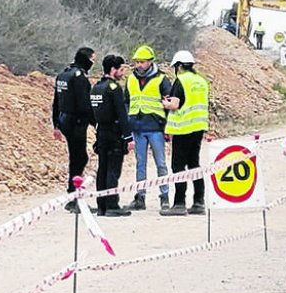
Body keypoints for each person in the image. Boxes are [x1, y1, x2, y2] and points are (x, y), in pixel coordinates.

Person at [160, 50, 210, 216]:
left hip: (183, 129)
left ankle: (179, 203)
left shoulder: (181, 80)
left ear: (179, 66)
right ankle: (198, 202)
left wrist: (165, 103)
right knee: (194, 164)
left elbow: (175, 105)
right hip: (198, 127)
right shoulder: (201, 81)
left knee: (178, 166)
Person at [125, 45, 173, 211]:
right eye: (137, 62)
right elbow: (126, 102)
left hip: (155, 128)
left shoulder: (161, 79)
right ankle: (140, 197)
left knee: (161, 164)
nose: (139, 65)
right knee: (140, 165)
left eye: (142, 62)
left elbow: (169, 105)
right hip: (137, 127)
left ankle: (164, 197)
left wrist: (168, 128)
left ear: (150, 62)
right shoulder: (131, 79)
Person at [90, 55, 134, 217]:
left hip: (101, 132)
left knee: (102, 169)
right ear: (113, 69)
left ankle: (101, 206)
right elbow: (122, 115)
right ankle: (112, 205)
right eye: (121, 70)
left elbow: (92, 113)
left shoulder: (96, 88)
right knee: (113, 170)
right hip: (114, 134)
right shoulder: (114, 89)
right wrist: (128, 137)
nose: (122, 73)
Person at [52, 47, 95, 212]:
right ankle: (73, 196)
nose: (93, 62)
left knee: (76, 157)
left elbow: (56, 102)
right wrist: (95, 123)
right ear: (86, 59)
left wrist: (56, 124)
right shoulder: (79, 78)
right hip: (76, 122)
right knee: (79, 158)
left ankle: (72, 194)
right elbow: (85, 105)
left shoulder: (63, 75)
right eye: (92, 59)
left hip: (64, 121)